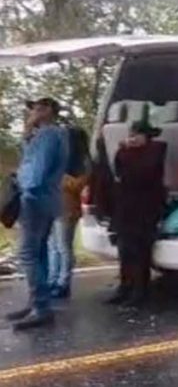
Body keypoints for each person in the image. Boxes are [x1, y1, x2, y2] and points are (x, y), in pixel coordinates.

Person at [7, 97, 69, 330]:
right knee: (40, 252)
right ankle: (37, 303)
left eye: (41, 108)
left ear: (52, 111)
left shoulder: (49, 135)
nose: (34, 111)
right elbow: (30, 159)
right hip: (47, 199)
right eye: (33, 108)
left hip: (35, 198)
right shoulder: (49, 135)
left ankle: (41, 307)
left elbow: (37, 172)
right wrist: (26, 132)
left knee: (28, 254)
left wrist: (19, 181)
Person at [107, 119, 167, 307]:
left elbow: (143, 174)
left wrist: (127, 151)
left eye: (136, 135)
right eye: (131, 134)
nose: (132, 138)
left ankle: (140, 290)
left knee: (140, 251)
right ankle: (125, 286)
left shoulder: (155, 152)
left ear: (146, 136)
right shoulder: (128, 153)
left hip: (145, 207)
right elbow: (119, 171)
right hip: (126, 206)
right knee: (124, 250)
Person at [47, 126, 91, 299]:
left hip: (67, 208)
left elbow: (77, 185)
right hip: (51, 206)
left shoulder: (83, 163)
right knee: (52, 246)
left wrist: (58, 177)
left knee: (64, 246)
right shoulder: (59, 159)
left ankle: (63, 282)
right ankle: (52, 279)